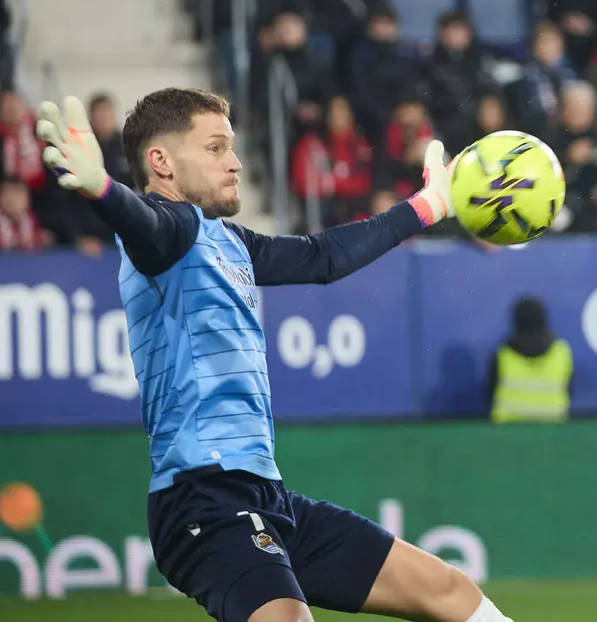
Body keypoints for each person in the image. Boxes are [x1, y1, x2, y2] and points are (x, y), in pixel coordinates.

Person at [36, 90, 514, 622]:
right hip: (202, 502)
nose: (235, 162)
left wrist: (428, 206)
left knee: (447, 589)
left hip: (265, 498)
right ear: (161, 163)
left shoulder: (227, 241)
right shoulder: (167, 232)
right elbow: (144, 222)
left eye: (232, 147)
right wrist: (103, 190)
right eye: (216, 148)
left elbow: (324, 258)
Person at [487, 296, 573, 423]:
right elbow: (569, 389)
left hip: (507, 427)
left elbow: (490, 391)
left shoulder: (503, 354)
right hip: (553, 426)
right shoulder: (562, 352)